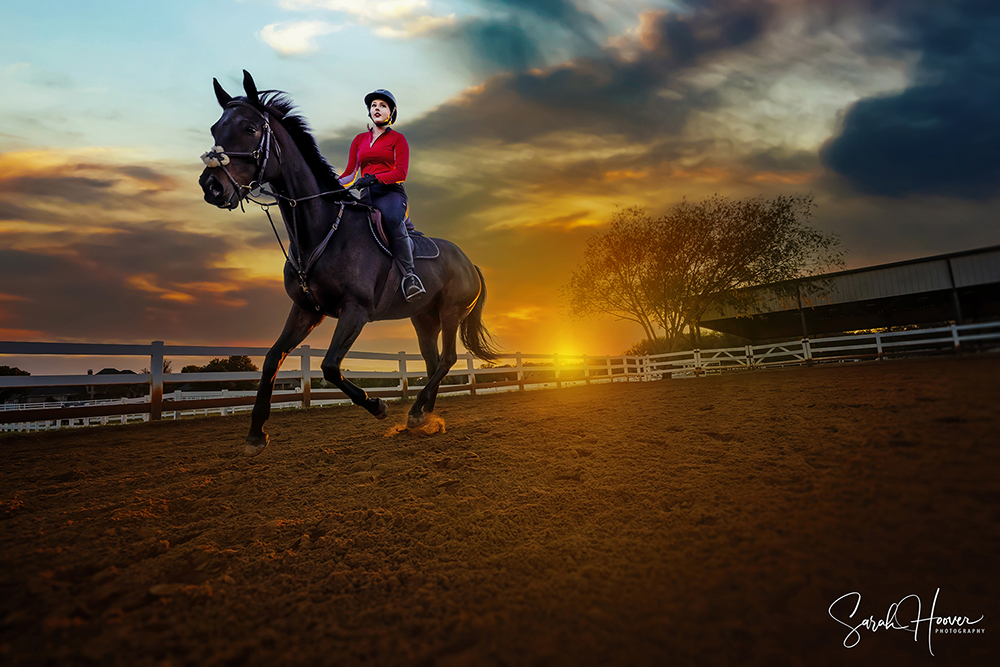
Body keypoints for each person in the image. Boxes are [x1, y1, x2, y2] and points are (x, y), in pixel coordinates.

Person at [338, 89, 426, 301]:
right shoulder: (359, 139)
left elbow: (401, 173)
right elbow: (350, 173)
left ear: (391, 113)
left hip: (391, 194)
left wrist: (375, 179)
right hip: (366, 196)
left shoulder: (398, 139)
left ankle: (409, 276)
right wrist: (330, 184)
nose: (377, 108)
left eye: (383, 106)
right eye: (374, 105)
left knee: (392, 219)